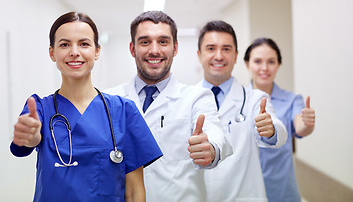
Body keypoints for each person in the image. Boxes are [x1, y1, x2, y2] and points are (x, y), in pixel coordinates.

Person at [10, 12, 162, 202]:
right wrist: (30, 137)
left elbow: (135, 192)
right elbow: (29, 140)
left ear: (97, 51)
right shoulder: (40, 108)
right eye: (65, 44)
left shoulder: (124, 111)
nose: (74, 51)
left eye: (84, 44)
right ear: (52, 53)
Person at [105, 11, 233, 202]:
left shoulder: (197, 97)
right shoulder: (109, 100)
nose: (154, 50)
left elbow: (215, 132)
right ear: (133, 49)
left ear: (175, 48)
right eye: (145, 42)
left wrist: (211, 148)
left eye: (163, 41)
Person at [196, 20, 288, 202]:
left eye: (226, 49)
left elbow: (279, 134)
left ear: (236, 55)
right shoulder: (187, 100)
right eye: (211, 48)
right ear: (199, 55)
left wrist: (271, 129)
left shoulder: (255, 98)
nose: (219, 56)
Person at [244, 37, 315, 202]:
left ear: (278, 65)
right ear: (247, 64)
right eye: (257, 61)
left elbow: (300, 128)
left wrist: (307, 123)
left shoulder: (292, 100)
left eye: (271, 61)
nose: (264, 68)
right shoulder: (238, 100)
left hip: (281, 189)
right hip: (247, 188)